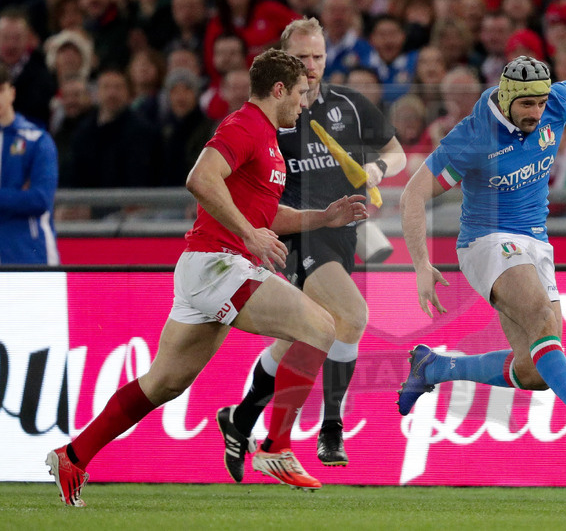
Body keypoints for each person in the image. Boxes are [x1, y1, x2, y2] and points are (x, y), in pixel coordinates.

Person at [46, 49, 368, 507]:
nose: (303, 103)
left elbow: (264, 213)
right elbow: (200, 178)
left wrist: (324, 217)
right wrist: (248, 235)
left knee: (163, 384)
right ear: (278, 90)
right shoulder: (245, 126)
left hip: (207, 267)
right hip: (219, 262)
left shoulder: (268, 138)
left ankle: (73, 455)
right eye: (299, 94)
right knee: (320, 326)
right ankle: (275, 446)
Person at [397, 56, 566, 454]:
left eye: (541, 103)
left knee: (535, 369)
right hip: (486, 242)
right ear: (506, 98)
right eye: (527, 104)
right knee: (542, 317)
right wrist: (421, 264)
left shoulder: (555, 103)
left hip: (536, 243)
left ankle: (434, 367)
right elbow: (412, 196)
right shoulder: (473, 138)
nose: (536, 112)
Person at [216, 18, 405, 481]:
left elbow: (397, 152)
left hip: (346, 232)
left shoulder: (348, 105)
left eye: (319, 57)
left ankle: (240, 420)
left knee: (297, 337)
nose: (313, 66)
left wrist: (378, 168)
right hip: (297, 233)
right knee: (352, 315)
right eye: (302, 59)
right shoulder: (269, 116)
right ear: (285, 61)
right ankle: (330, 427)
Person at [0, 63, 59, 265]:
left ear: (11, 93)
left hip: (31, 255)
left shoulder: (38, 140)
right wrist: (17, 195)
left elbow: (40, 199)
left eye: (0, 90)